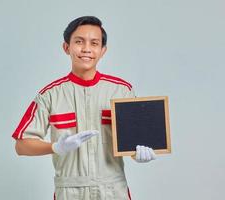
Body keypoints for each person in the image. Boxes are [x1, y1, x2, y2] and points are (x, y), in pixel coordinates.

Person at [12, 16, 156, 200]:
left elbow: (134, 142)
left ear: (103, 50)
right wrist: (56, 147)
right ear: (66, 47)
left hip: (113, 190)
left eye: (94, 43)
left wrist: (140, 154)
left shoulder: (122, 90)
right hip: (70, 191)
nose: (86, 49)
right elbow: (21, 145)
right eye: (79, 42)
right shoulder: (49, 94)